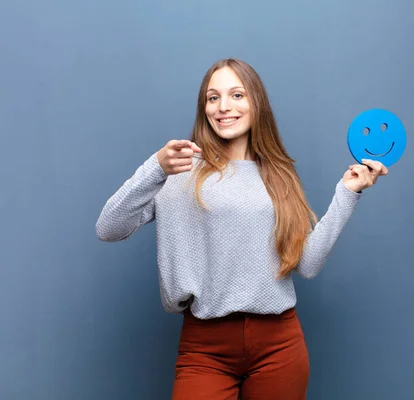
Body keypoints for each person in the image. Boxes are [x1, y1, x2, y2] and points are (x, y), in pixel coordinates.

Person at [95, 58, 388, 400]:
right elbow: (108, 227)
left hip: (279, 344)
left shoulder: (279, 174)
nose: (224, 107)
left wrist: (347, 194)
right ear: (203, 107)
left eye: (237, 95)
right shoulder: (177, 169)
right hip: (204, 347)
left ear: (256, 103)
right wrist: (155, 168)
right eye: (213, 97)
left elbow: (307, 264)